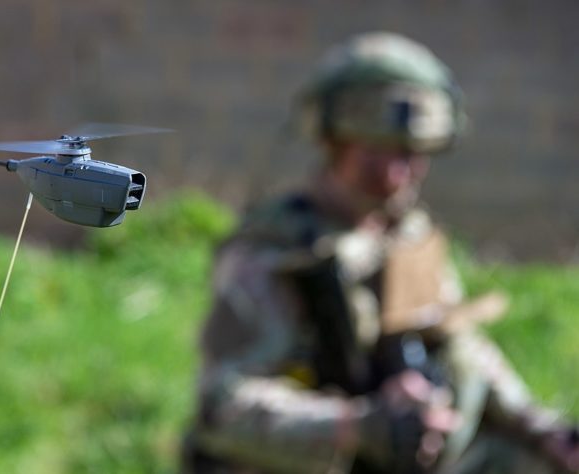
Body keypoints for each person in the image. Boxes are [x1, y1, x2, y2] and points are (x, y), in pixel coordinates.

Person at [183, 32, 578, 473]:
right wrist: (358, 427)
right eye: (375, 151)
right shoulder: (274, 254)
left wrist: (545, 432)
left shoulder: (410, 236)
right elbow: (223, 411)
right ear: (333, 142)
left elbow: (460, 344)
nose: (395, 175)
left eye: (411, 154)